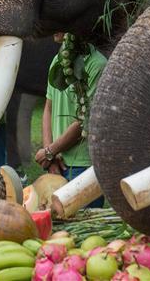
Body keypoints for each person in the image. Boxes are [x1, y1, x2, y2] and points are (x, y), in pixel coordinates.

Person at [35, 33, 106, 207]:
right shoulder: (58, 61)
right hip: (57, 163)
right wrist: (49, 155)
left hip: (84, 167)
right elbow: (48, 108)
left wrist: (50, 151)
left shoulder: (97, 64)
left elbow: (85, 120)